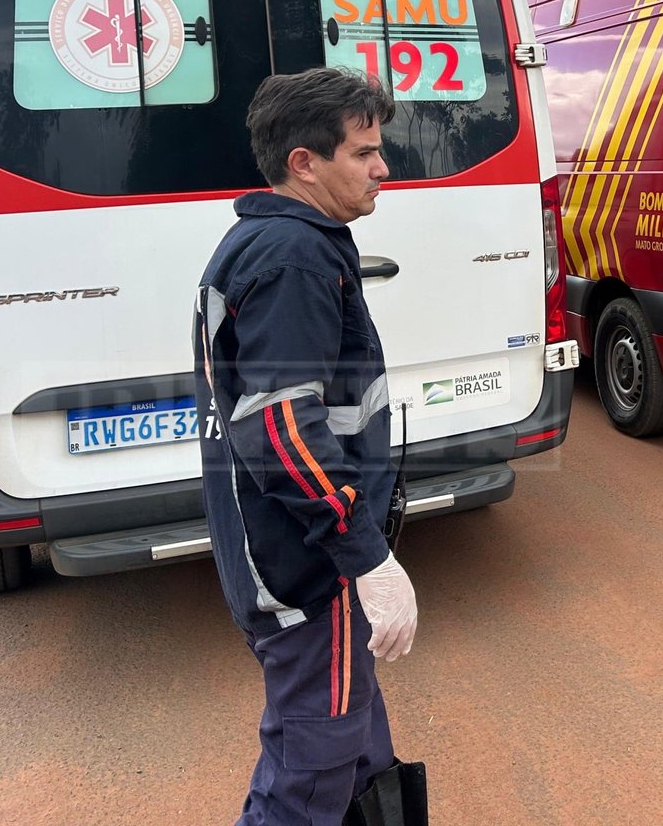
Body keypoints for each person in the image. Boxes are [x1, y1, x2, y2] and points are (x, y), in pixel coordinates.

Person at [193, 66, 424, 825]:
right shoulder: (292, 256)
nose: (382, 167)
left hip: (304, 553)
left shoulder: (280, 242)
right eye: (363, 152)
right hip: (305, 565)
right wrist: (365, 556)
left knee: (357, 742)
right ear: (304, 162)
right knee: (311, 771)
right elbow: (282, 426)